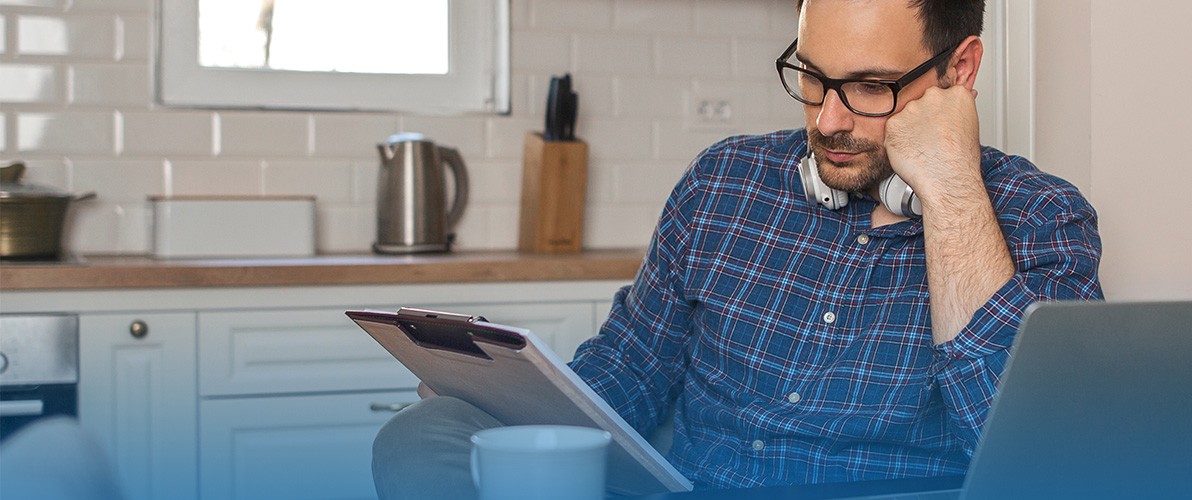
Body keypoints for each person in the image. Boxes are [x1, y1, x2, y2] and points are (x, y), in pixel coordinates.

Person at [371, 0, 1103, 497]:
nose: (829, 119)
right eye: (812, 77)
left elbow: (1036, 461)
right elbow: (627, 370)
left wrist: (949, 195)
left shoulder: (1041, 217)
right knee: (424, 432)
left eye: (871, 88)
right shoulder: (726, 180)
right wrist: (507, 394)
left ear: (959, 71)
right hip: (683, 486)